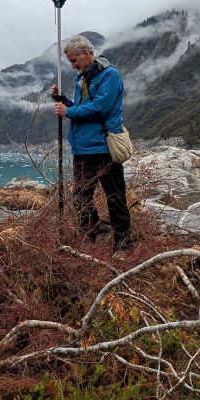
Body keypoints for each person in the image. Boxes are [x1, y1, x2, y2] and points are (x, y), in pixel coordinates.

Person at [51, 35, 132, 250]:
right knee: (80, 198)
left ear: (87, 53)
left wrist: (68, 111)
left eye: (74, 60)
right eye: (69, 61)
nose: (72, 65)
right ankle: (91, 235)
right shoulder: (83, 78)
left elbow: (100, 108)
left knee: (114, 198)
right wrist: (63, 100)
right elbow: (81, 106)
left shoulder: (110, 76)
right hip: (83, 148)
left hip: (104, 147)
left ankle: (123, 246)